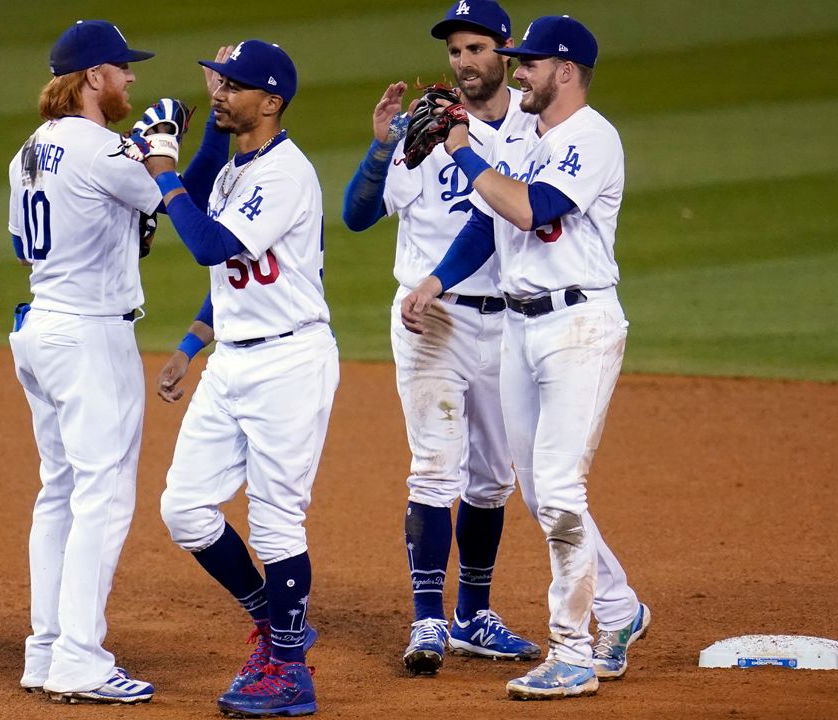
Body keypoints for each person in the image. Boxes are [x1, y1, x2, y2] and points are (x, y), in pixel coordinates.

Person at [401, 15, 651, 700]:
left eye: (529, 63)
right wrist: (435, 280)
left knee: (562, 487)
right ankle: (621, 610)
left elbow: (528, 209)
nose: (517, 71)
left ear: (565, 71)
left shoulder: (589, 138)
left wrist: (460, 148)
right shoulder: (534, 141)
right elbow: (488, 219)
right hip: (522, 330)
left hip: (577, 326)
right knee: (538, 489)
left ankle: (571, 653)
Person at [340, 0, 541, 676]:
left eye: (476, 49)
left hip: (509, 319)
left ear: (504, 52)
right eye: (455, 51)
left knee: (492, 480)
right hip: (433, 321)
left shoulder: (534, 128)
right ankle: (428, 619)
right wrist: (377, 147)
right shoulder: (420, 130)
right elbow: (358, 215)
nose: (463, 62)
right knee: (435, 466)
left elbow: (498, 220)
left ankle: (473, 615)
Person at [139, 40, 338, 718]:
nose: (219, 95)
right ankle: (273, 620)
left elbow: (208, 244)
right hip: (233, 360)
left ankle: (290, 672)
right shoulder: (234, 169)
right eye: (219, 84)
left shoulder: (286, 174)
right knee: (185, 509)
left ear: (272, 101)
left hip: (289, 362)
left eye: (235, 87)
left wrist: (162, 170)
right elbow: (221, 257)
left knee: (277, 521)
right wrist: (193, 343)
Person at [6, 19, 161, 705]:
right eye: (123, 69)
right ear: (94, 77)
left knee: (61, 492)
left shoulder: (27, 151)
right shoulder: (106, 150)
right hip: (92, 337)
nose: (131, 79)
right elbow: (172, 204)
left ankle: (46, 650)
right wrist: (165, 147)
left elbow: (22, 248)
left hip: (41, 327)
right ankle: (79, 658)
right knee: (103, 496)